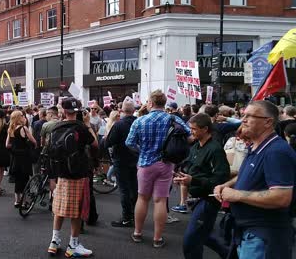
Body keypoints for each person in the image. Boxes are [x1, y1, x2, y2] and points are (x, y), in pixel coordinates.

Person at [214, 100, 296, 259]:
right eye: (243, 114)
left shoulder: (276, 152)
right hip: (249, 232)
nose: (243, 119)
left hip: (263, 236)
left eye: (249, 116)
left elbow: (282, 197)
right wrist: (227, 185)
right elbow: (250, 173)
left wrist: (237, 195)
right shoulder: (257, 146)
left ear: (268, 122)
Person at [125, 89, 190, 248]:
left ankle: (138, 233)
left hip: (146, 163)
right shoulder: (173, 119)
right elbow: (189, 135)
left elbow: (129, 142)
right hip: (166, 163)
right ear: (164, 103)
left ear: (151, 103)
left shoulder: (140, 121)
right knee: (161, 200)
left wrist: (142, 150)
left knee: (142, 198)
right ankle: (157, 238)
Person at [173, 113, 230, 259]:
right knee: (203, 235)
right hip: (198, 197)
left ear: (205, 129)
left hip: (209, 200)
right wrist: (181, 176)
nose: (190, 132)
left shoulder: (215, 149)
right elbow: (191, 168)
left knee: (191, 240)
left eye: (194, 129)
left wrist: (194, 180)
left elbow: (221, 178)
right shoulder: (196, 146)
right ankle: (230, 254)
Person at [47, 98, 98, 258]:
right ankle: (73, 245)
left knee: (59, 209)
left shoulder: (55, 127)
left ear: (63, 111)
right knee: (77, 211)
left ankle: (54, 242)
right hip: (78, 173)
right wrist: (88, 125)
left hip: (61, 173)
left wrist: (52, 177)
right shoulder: (82, 127)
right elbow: (95, 144)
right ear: (78, 112)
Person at [105, 101, 138, 227]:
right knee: (134, 188)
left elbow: (108, 142)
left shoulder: (119, 125)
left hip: (121, 160)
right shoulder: (139, 122)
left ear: (122, 111)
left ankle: (127, 217)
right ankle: (135, 213)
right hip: (135, 159)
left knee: (124, 189)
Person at [6, 110, 37, 206]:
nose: (24, 117)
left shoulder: (10, 129)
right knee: (25, 179)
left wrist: (14, 148)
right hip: (24, 157)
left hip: (15, 157)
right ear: (19, 117)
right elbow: (33, 141)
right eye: (22, 115)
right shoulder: (24, 128)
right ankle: (24, 202)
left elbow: (7, 145)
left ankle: (17, 201)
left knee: (18, 180)